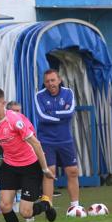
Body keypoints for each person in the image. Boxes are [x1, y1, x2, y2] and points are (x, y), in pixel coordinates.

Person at [0, 87, 56, 222]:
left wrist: (44, 169)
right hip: (10, 166)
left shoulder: (14, 120)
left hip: (30, 166)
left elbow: (36, 144)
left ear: (3, 103)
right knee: (4, 205)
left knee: (26, 213)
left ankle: (46, 204)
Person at [34, 69, 80, 210]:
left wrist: (52, 113)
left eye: (53, 80)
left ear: (59, 80)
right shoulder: (39, 96)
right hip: (47, 141)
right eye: (47, 81)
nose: (50, 83)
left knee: (72, 171)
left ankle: (75, 206)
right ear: (44, 82)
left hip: (65, 139)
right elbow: (42, 116)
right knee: (50, 172)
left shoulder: (68, 93)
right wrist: (61, 115)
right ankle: (49, 207)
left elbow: (70, 112)